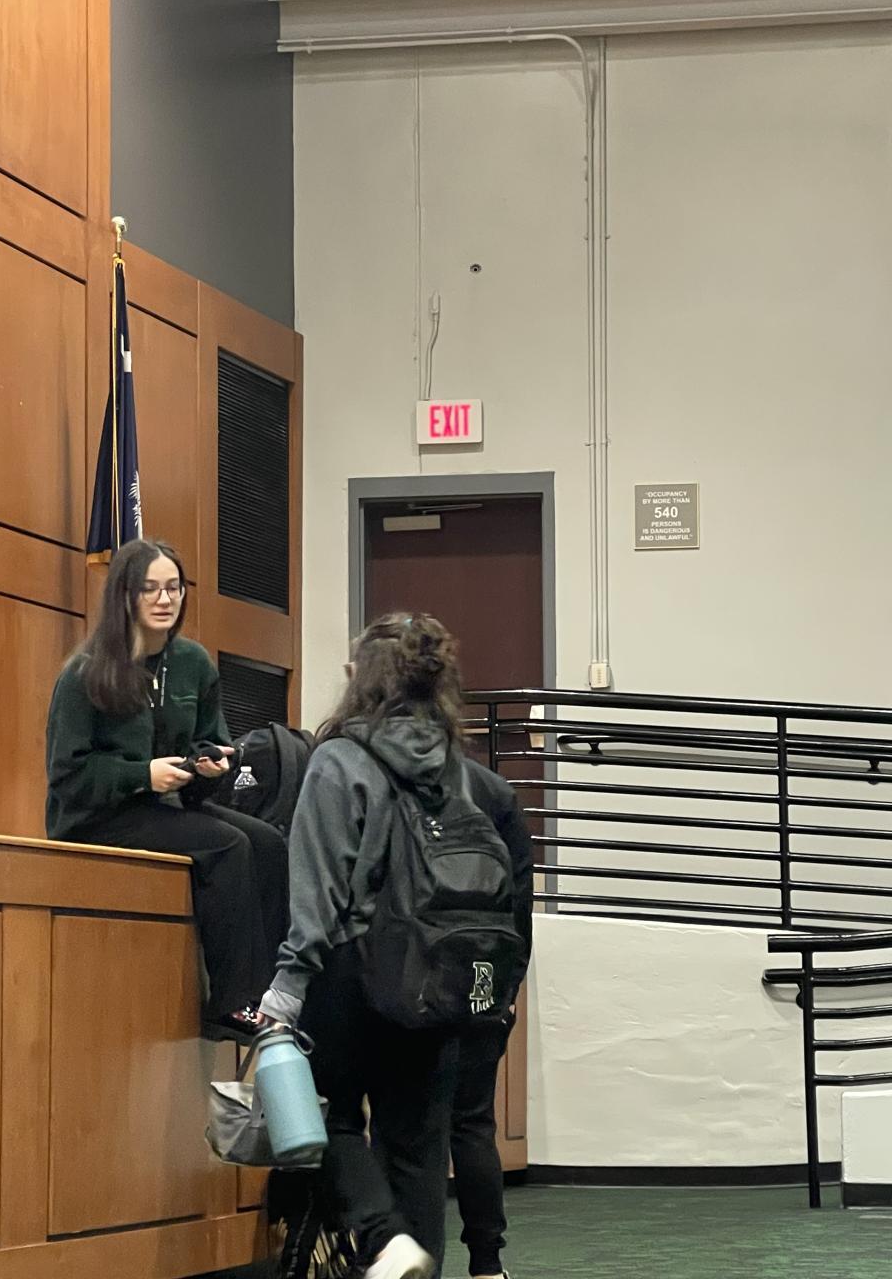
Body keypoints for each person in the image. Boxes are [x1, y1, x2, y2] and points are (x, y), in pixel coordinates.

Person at [256, 612, 530, 1279]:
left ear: (360, 679)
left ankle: (383, 1238)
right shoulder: (456, 771)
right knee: (417, 1154)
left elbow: (318, 890)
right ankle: (411, 1252)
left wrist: (287, 988)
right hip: (437, 978)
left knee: (326, 1120)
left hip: (354, 973)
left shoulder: (338, 761)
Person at [45, 537, 288, 1040]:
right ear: (126, 596)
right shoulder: (86, 674)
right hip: (97, 818)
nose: (165, 599)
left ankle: (267, 994)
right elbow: (68, 776)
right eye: (151, 589)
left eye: (174, 588)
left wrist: (210, 766)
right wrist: (142, 775)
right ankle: (231, 1003)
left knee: (268, 842)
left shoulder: (193, 664)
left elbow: (209, 739)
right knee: (227, 845)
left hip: (166, 806)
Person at [446, 760, 532, 1279]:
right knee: (473, 1122)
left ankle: (403, 1254)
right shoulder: (495, 791)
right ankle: (487, 1264)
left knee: (406, 1129)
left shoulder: (384, 776)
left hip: (409, 975)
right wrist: (510, 985)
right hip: (484, 972)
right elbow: (520, 898)